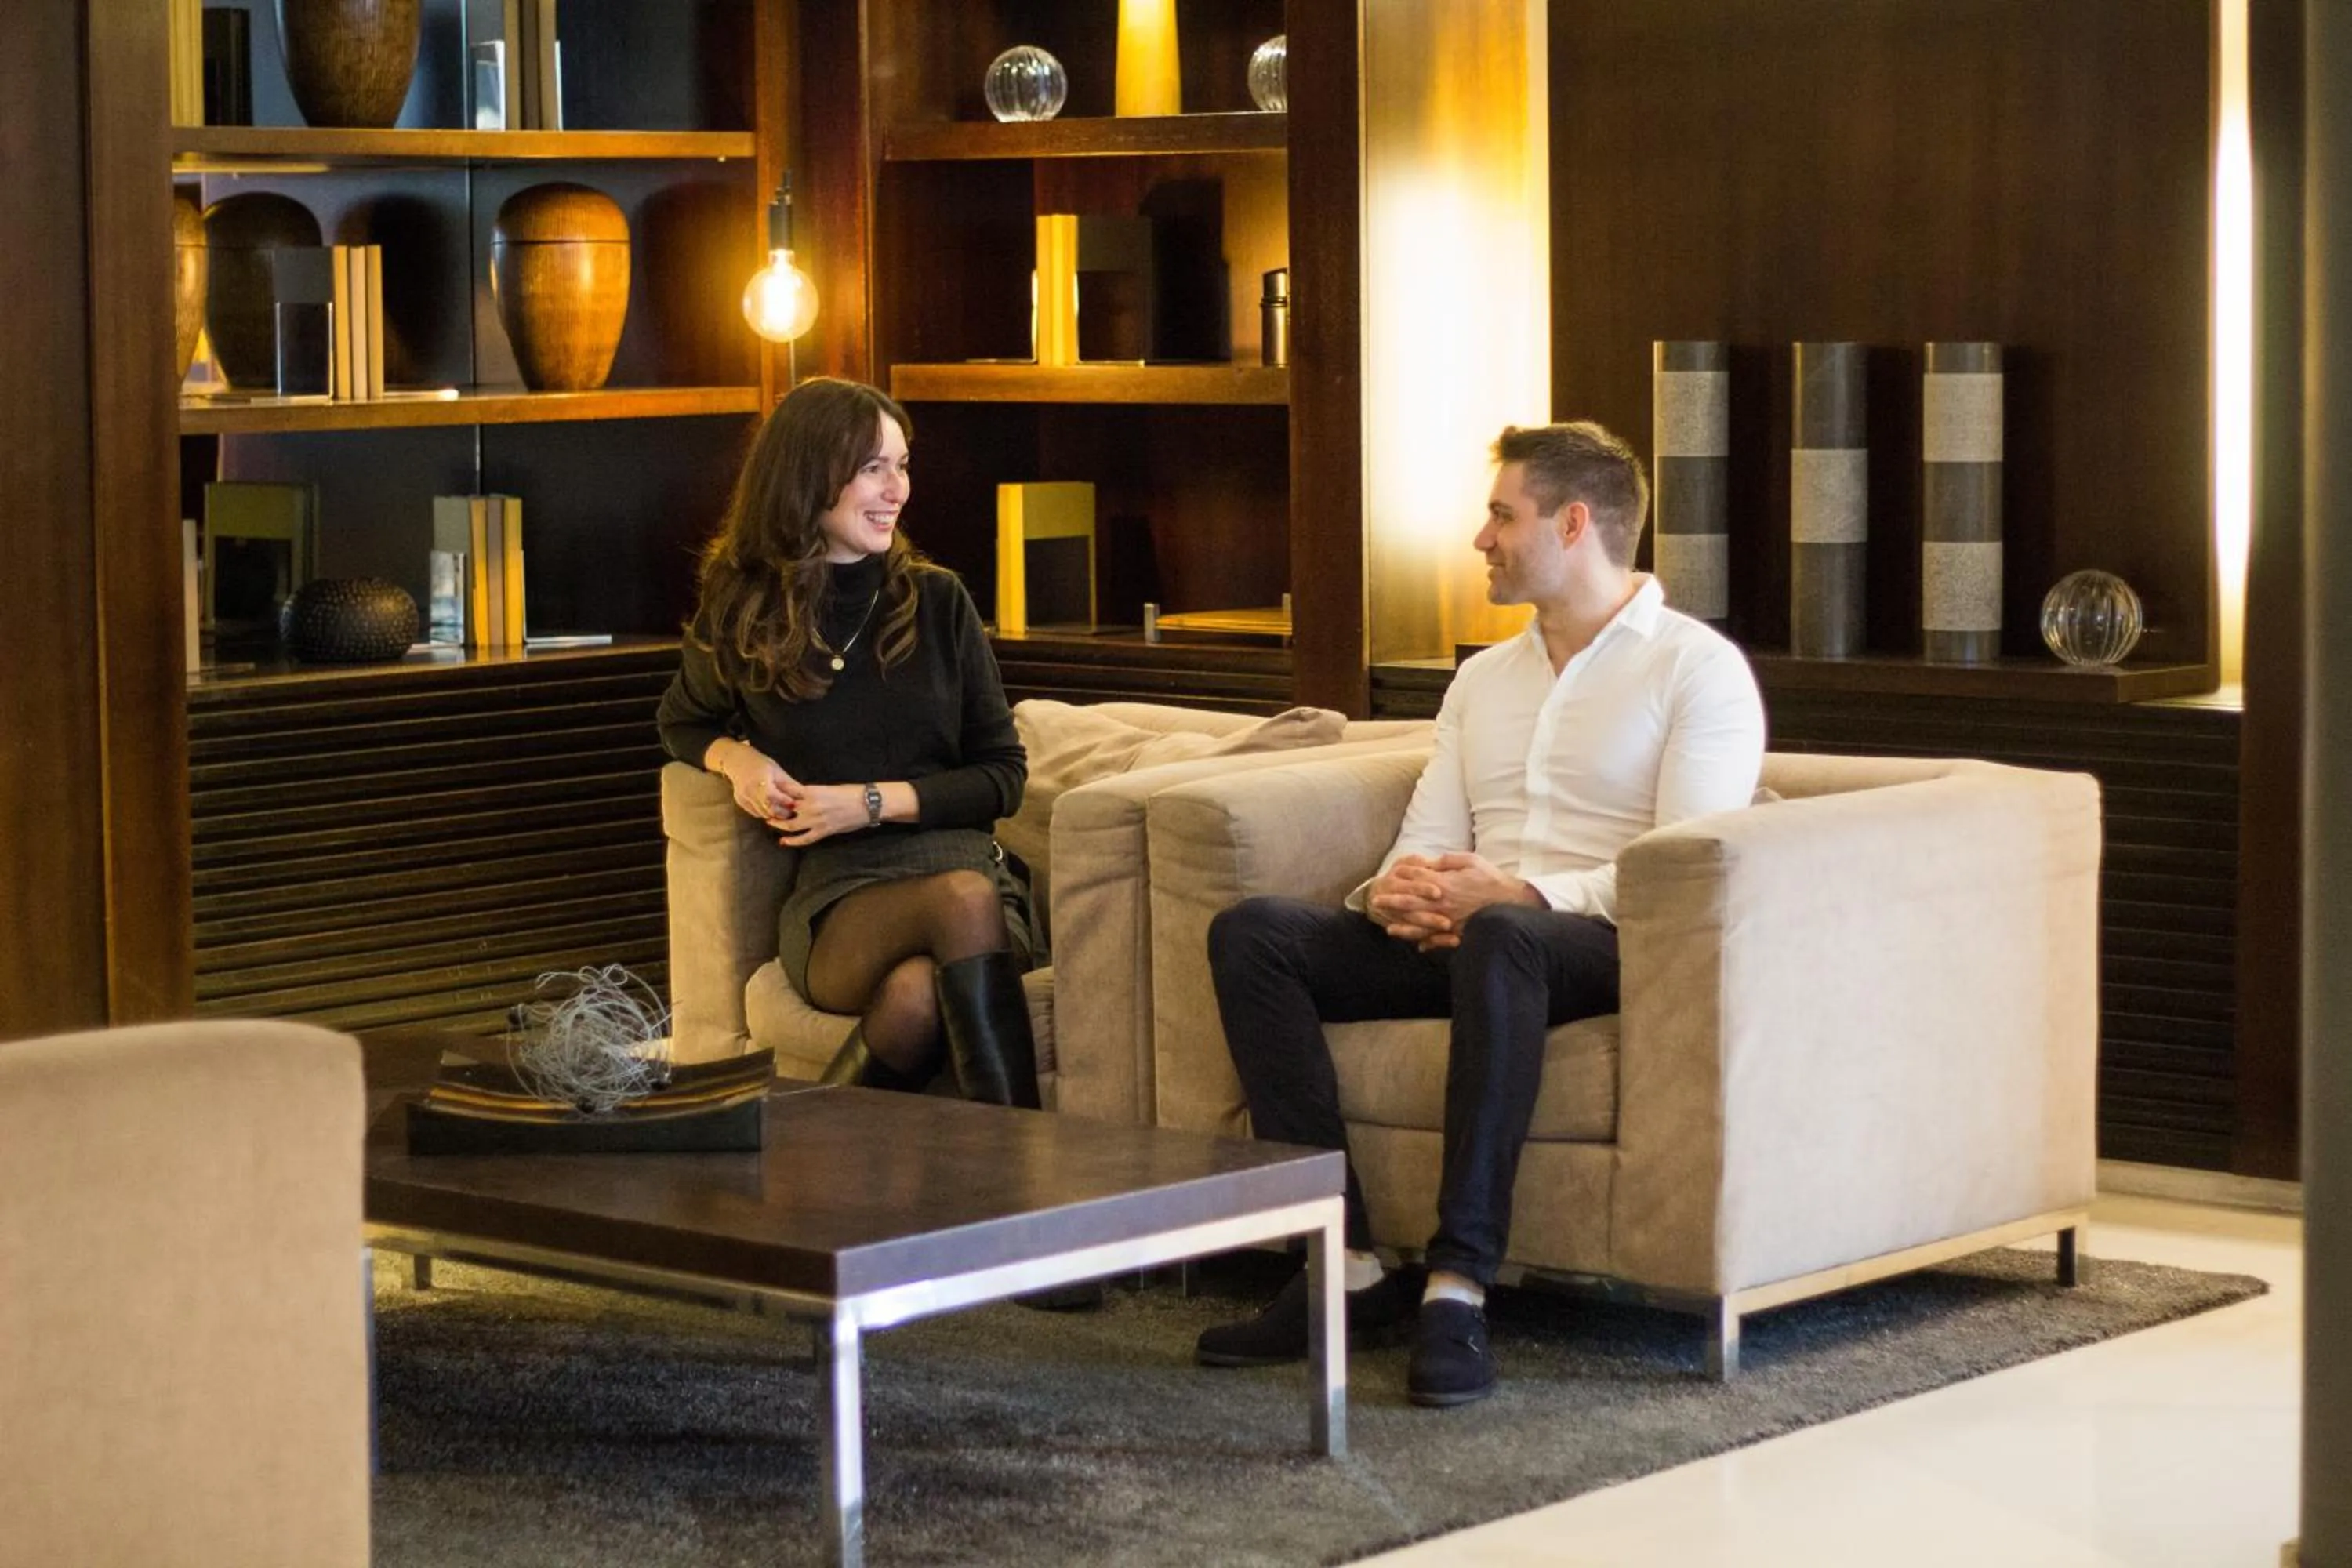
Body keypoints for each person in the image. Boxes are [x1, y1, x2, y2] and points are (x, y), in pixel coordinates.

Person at [1194, 420, 1766, 1406]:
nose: (1481, 539)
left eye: (1503, 515)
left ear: (1574, 523)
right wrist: (1402, 893)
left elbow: (1685, 868)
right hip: (1473, 931)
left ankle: (1458, 1287)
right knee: (1255, 935)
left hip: (1599, 940)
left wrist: (1520, 895)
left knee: (1505, 939)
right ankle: (1348, 1263)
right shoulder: (1483, 679)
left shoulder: (1694, 670)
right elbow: (1426, 833)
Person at [657, 376, 1042, 1107]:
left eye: (902, 465)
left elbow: (1002, 777)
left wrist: (864, 804)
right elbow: (681, 720)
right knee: (928, 954)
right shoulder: (743, 608)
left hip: (972, 885)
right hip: (840, 904)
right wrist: (736, 759)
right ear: (808, 475)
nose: (897, 488)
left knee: (920, 991)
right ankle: (1022, 1171)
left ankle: (801, 1156)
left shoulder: (937, 601)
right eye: (874, 467)